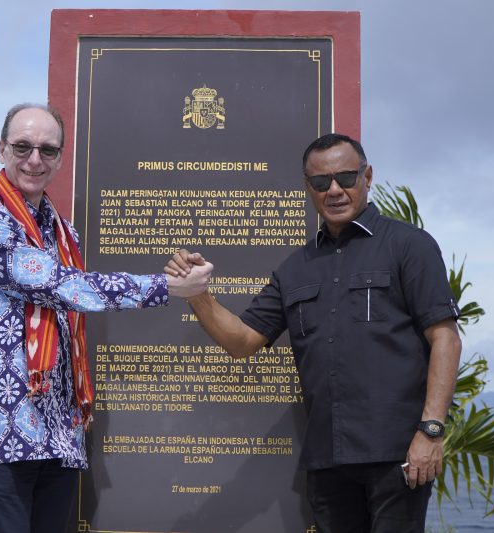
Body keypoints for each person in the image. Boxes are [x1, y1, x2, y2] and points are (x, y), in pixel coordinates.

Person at [165, 133, 462, 533]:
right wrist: (198, 294)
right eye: (322, 182)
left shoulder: (410, 246)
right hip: (328, 459)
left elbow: (445, 338)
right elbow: (242, 341)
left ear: (367, 176)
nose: (335, 190)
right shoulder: (295, 269)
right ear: (309, 188)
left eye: (346, 178)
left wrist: (430, 431)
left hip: (397, 454)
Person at [0, 102, 212, 533]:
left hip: (58, 434)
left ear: (61, 157)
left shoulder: (65, 232)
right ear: (1, 149)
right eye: (23, 146)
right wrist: (166, 287)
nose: (35, 159)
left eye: (47, 150)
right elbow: (60, 285)